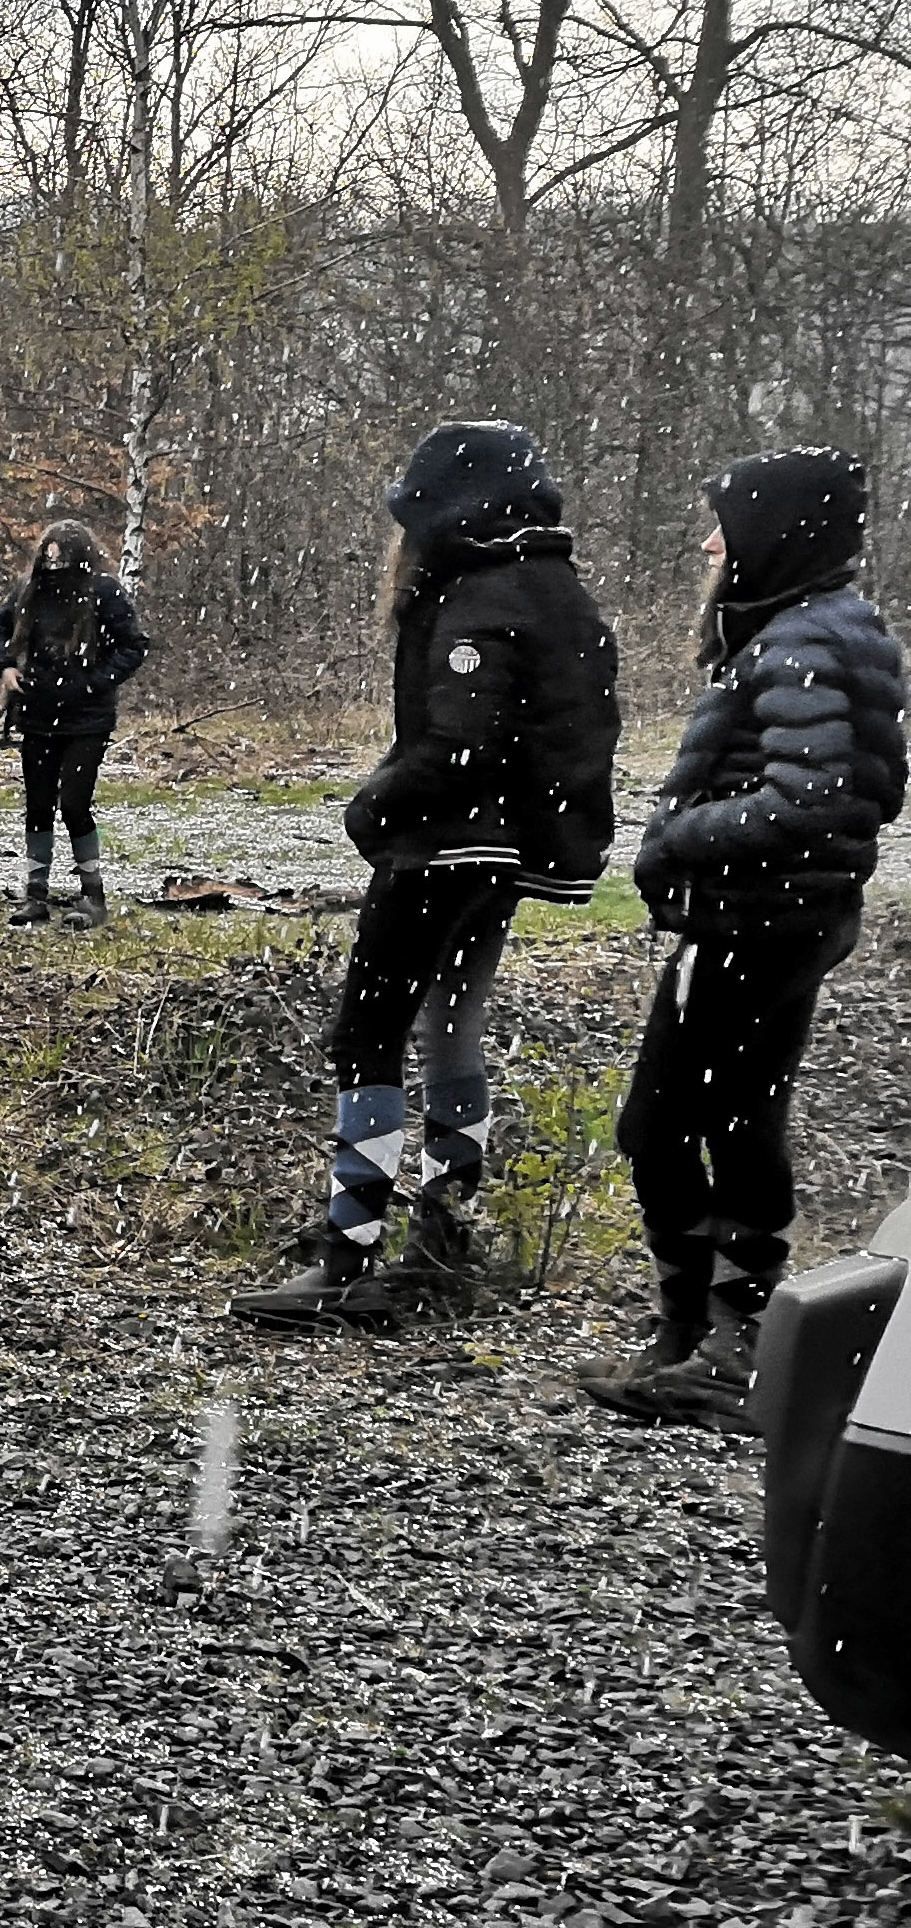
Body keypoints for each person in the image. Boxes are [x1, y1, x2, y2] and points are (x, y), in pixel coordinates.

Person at [233, 420, 620, 1326]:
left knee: (366, 1037)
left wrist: (372, 808)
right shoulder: (556, 589)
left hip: (445, 848)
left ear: (444, 514)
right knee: (453, 1029)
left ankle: (346, 1255)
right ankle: (444, 1240)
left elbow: (459, 744)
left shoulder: (478, 598)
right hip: (506, 855)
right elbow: (570, 733)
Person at [582, 449, 905, 1430]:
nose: (709, 542)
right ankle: (693, 1336)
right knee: (709, 1117)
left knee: (686, 1123)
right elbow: (865, 792)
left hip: (754, 923)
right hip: (770, 921)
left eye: (724, 523)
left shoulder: (802, 642)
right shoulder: (816, 632)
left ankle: (726, 1344)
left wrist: (679, 836)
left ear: (772, 536)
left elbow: (813, 799)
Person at [0, 519, 153, 925]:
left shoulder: (103, 591)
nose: (54, 568)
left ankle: (93, 895)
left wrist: (92, 683)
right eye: (49, 560)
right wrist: (5, 667)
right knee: (38, 806)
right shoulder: (30, 589)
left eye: (61, 561)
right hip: (37, 715)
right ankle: (35, 895)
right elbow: (1, 629)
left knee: (75, 804)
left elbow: (134, 646)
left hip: (87, 721)